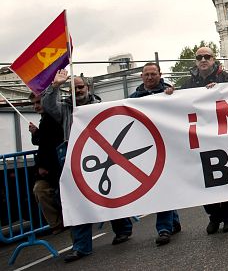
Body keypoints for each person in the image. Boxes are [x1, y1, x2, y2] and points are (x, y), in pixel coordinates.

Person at [41, 70, 133, 262]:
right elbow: (47, 104)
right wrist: (56, 85)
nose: (78, 91)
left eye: (81, 87)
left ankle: (123, 228)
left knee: (108, 194)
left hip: (101, 157)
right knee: (77, 201)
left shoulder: (100, 106)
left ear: (88, 88)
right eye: (73, 89)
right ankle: (81, 247)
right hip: (73, 159)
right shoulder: (65, 109)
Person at [184, 47, 228, 234]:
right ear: (195, 61)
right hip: (200, 137)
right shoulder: (189, 83)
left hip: (223, 135)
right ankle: (214, 216)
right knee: (205, 179)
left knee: (227, 175)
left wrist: (223, 88)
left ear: (213, 59)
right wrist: (169, 94)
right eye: (199, 57)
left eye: (207, 56)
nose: (203, 60)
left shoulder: (226, 78)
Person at [129, 63, 181, 245]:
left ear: (160, 75)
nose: (150, 77)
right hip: (148, 148)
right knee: (160, 186)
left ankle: (166, 227)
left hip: (169, 145)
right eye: (146, 74)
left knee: (164, 185)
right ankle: (169, 224)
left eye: (153, 74)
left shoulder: (171, 93)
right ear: (141, 77)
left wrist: (172, 96)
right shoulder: (132, 99)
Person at [28, 92, 64, 234]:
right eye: (34, 104)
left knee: (42, 190)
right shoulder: (45, 119)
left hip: (55, 167)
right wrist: (36, 133)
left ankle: (59, 223)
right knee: (40, 190)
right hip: (51, 167)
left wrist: (43, 166)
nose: (36, 106)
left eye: (38, 102)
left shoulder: (52, 118)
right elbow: (42, 141)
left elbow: (49, 143)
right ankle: (57, 224)